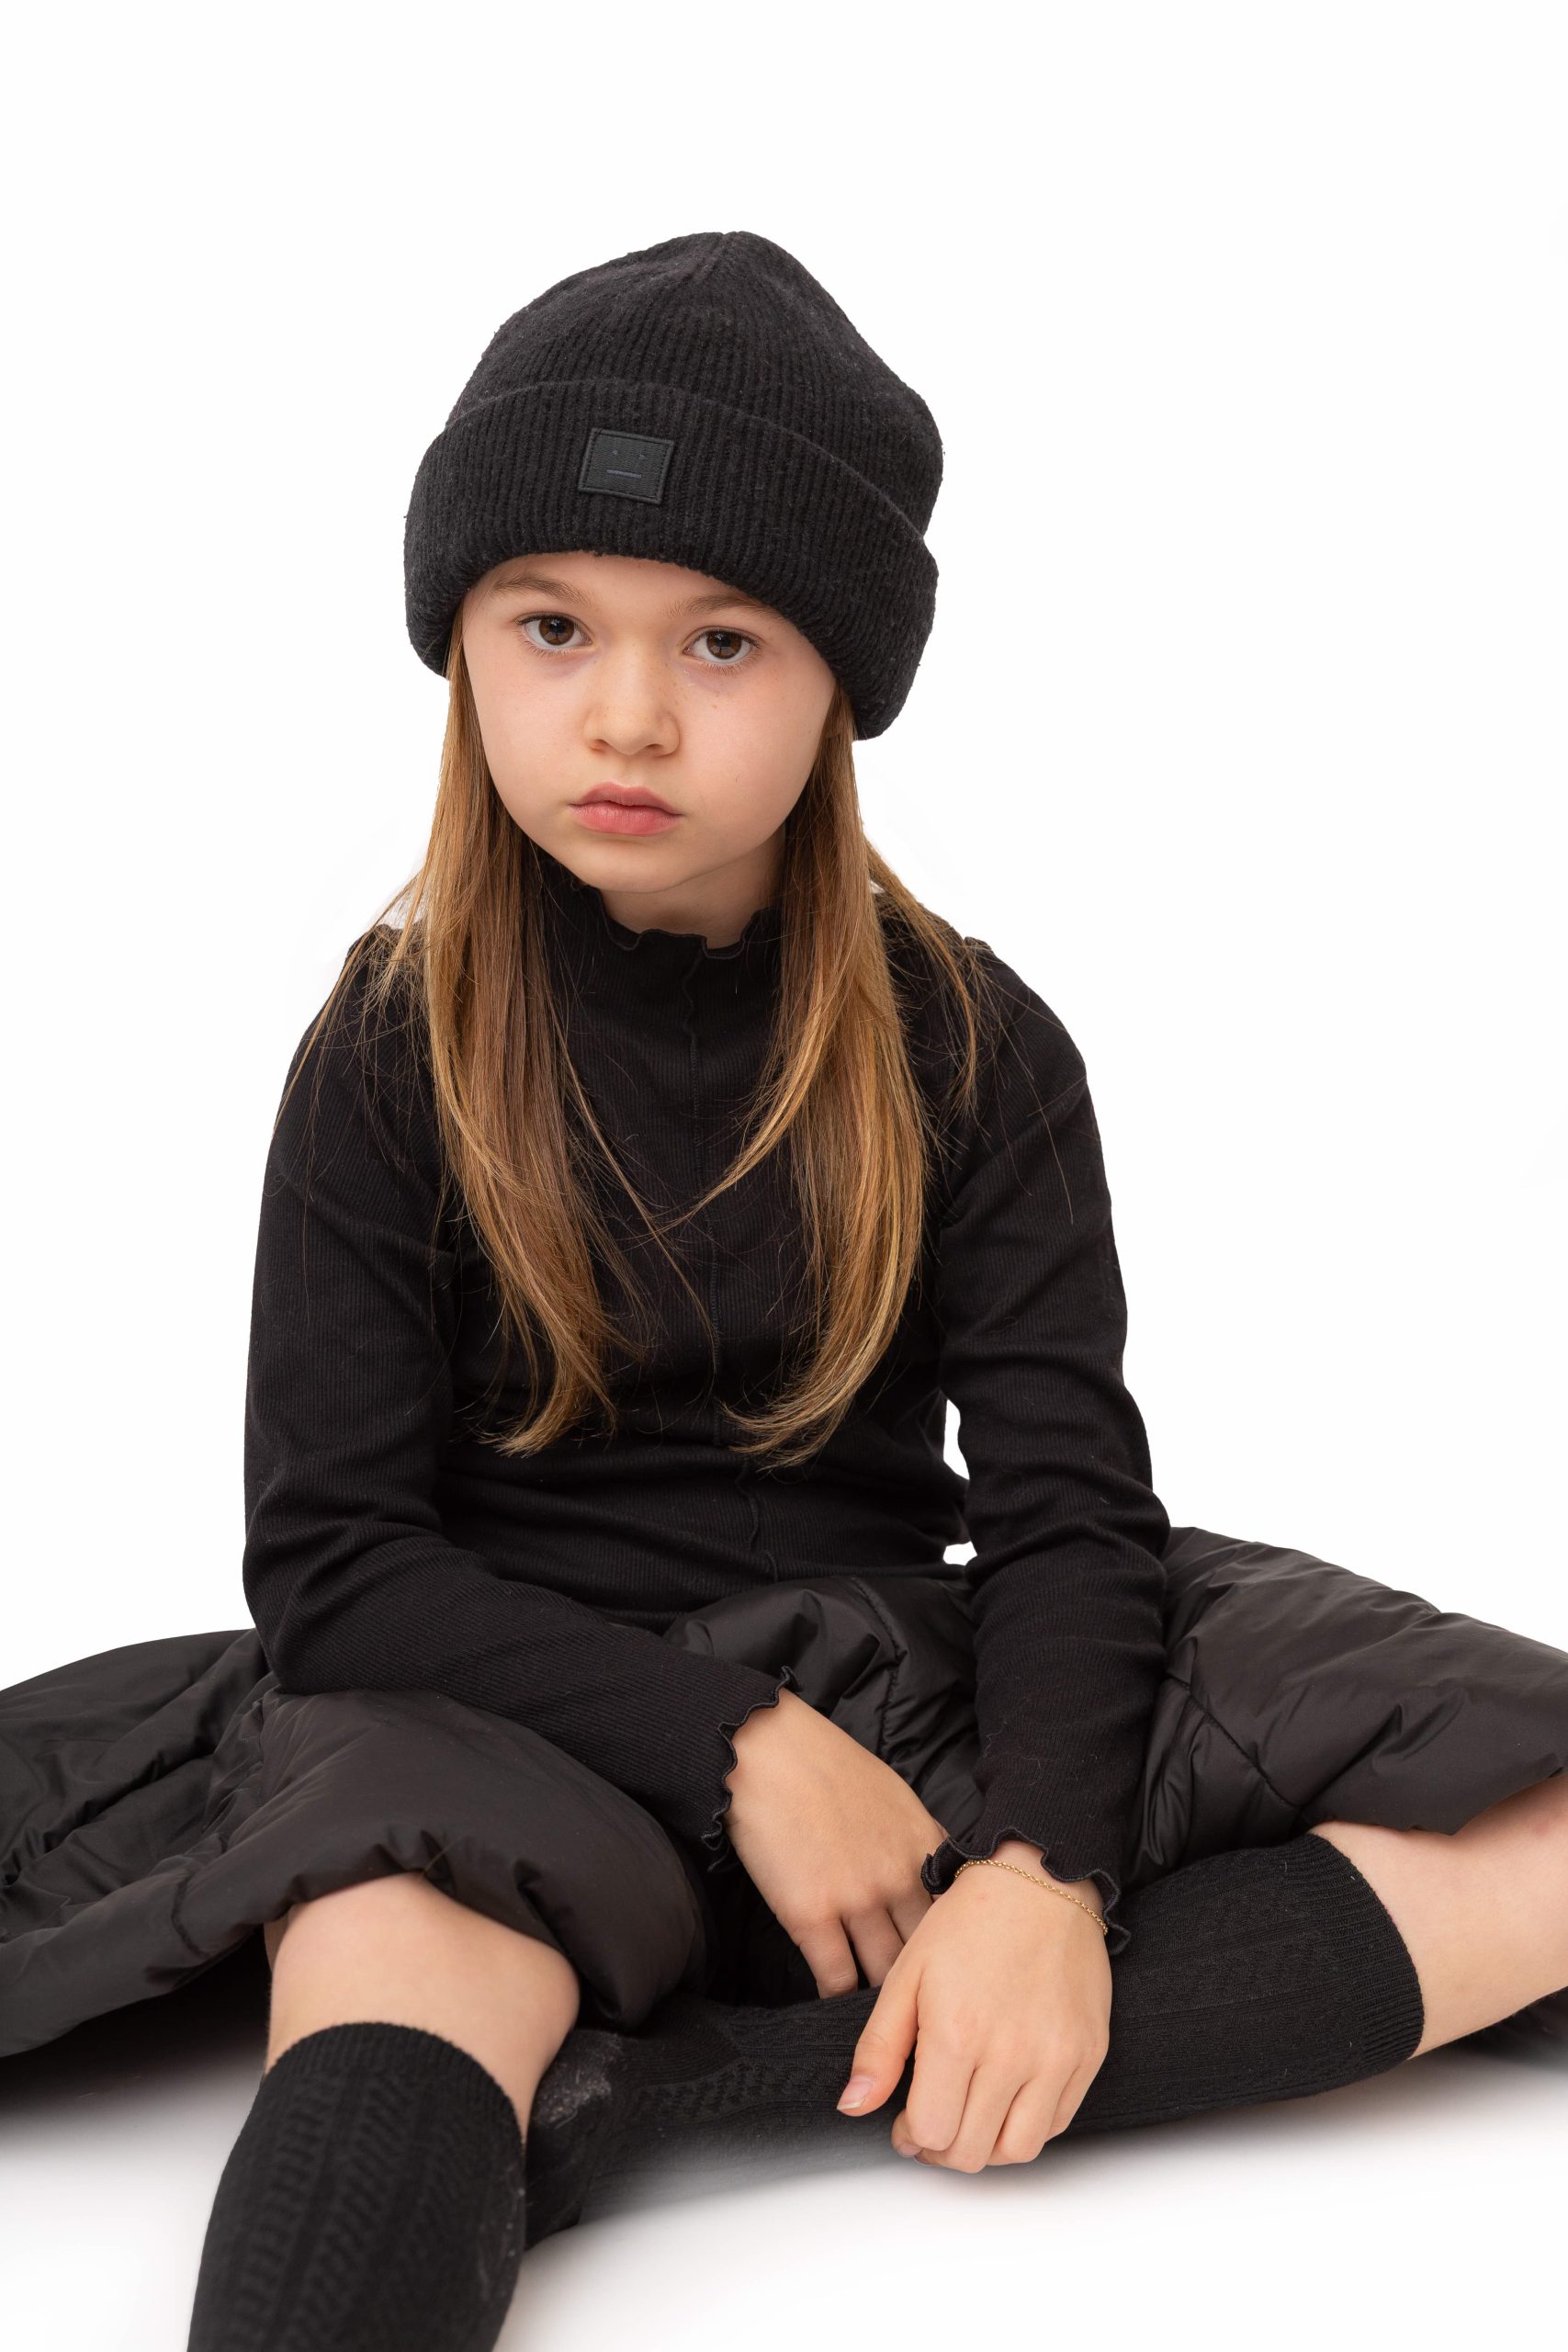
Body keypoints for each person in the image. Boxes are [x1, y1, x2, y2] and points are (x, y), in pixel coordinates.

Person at [1, 232, 1563, 2352]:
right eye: (552, 625)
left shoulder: (968, 1043)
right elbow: (335, 1563)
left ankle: (679, 2090)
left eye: (720, 640)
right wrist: (735, 1742)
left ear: (839, 677)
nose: (625, 712)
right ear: (462, 644)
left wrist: (1041, 1866)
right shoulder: (387, 1048)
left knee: (1543, 1800)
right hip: (493, 1700)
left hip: (889, 1675)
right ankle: (539, 2053)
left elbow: (1065, 1512)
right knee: (385, 1920)